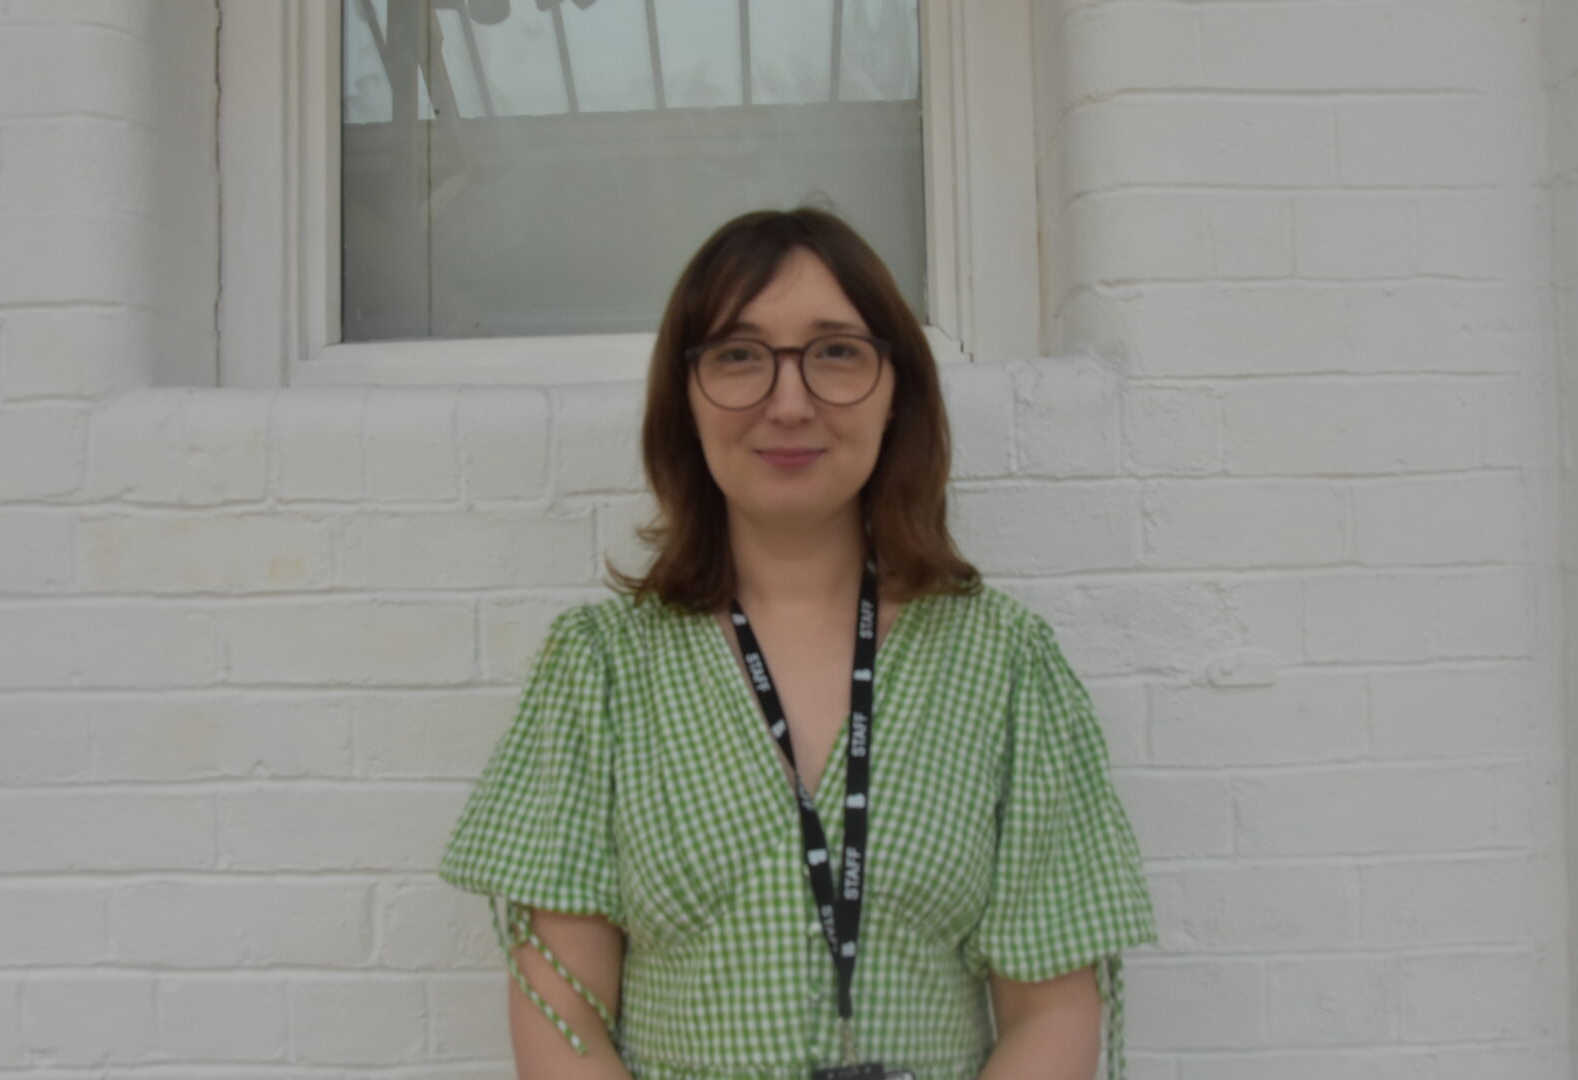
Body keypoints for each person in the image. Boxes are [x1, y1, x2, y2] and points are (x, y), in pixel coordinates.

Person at [438, 207, 1158, 1080]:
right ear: (687, 396)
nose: (789, 402)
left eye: (836, 353)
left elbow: (1052, 1010)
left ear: (898, 392)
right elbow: (564, 1014)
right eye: (739, 356)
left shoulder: (1006, 666)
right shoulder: (599, 669)